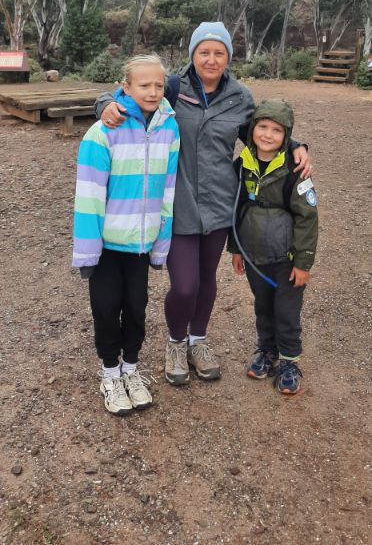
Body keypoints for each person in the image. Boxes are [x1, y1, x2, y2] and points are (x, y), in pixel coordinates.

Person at [95, 22, 311, 387]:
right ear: (193, 54)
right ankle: (176, 343)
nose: (211, 59)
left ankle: (198, 341)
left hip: (219, 204)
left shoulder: (240, 97)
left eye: (219, 53)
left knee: (207, 279)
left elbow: (264, 131)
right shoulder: (172, 89)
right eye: (204, 52)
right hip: (176, 202)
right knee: (184, 285)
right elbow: (122, 94)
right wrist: (105, 105)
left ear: (229, 57)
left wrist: (296, 145)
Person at [72, 54, 180, 415]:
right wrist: (87, 253)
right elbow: (88, 197)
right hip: (106, 247)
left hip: (141, 244)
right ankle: (109, 373)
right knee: (106, 310)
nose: (152, 92)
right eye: (144, 85)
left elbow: (169, 189)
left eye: (159, 85)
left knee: (136, 308)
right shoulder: (102, 131)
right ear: (126, 87)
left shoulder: (170, 127)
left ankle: (131, 370)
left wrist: (160, 245)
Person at [228, 99, 318, 395]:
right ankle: (267, 352)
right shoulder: (243, 165)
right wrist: (236, 248)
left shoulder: (295, 169)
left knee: (286, 312)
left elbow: (307, 217)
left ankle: (289, 361)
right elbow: (236, 209)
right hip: (255, 256)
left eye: (276, 131)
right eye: (262, 127)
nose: (267, 135)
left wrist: (303, 263)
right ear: (252, 129)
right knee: (263, 306)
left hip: (287, 259)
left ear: (287, 136)